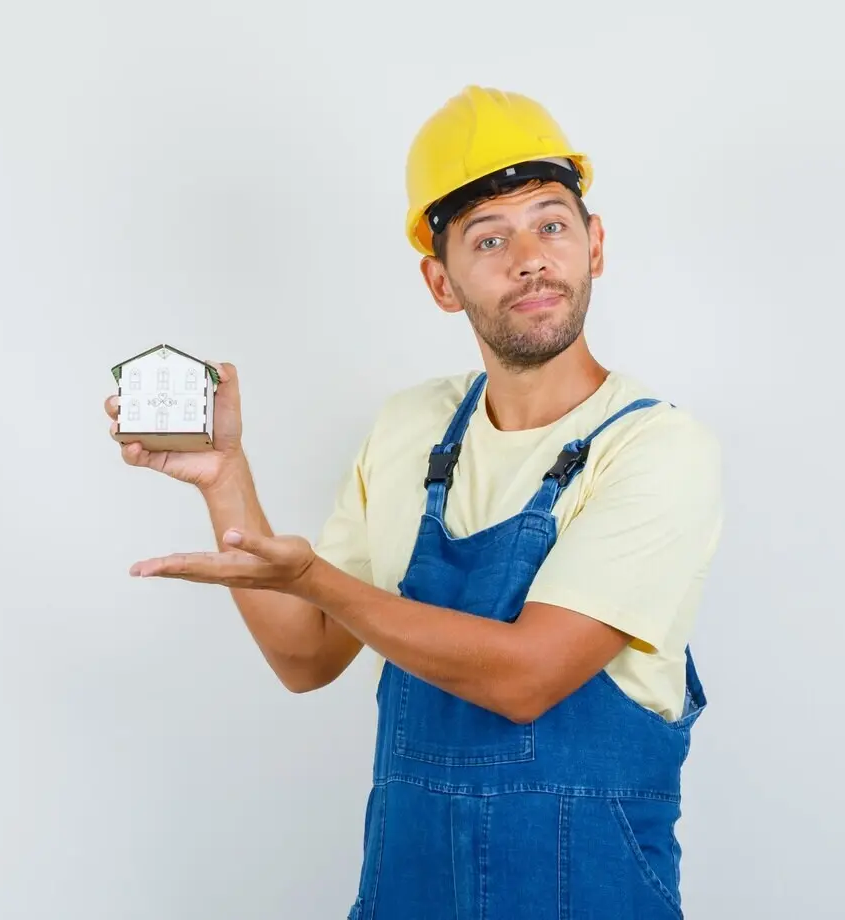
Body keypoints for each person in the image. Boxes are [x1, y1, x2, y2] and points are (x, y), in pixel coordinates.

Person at [108, 85, 724, 920]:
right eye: (489, 239)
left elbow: (526, 677)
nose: (531, 258)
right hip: (409, 893)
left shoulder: (653, 448)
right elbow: (306, 659)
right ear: (441, 281)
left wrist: (319, 580)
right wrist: (227, 480)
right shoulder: (410, 430)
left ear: (595, 243)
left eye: (551, 224)